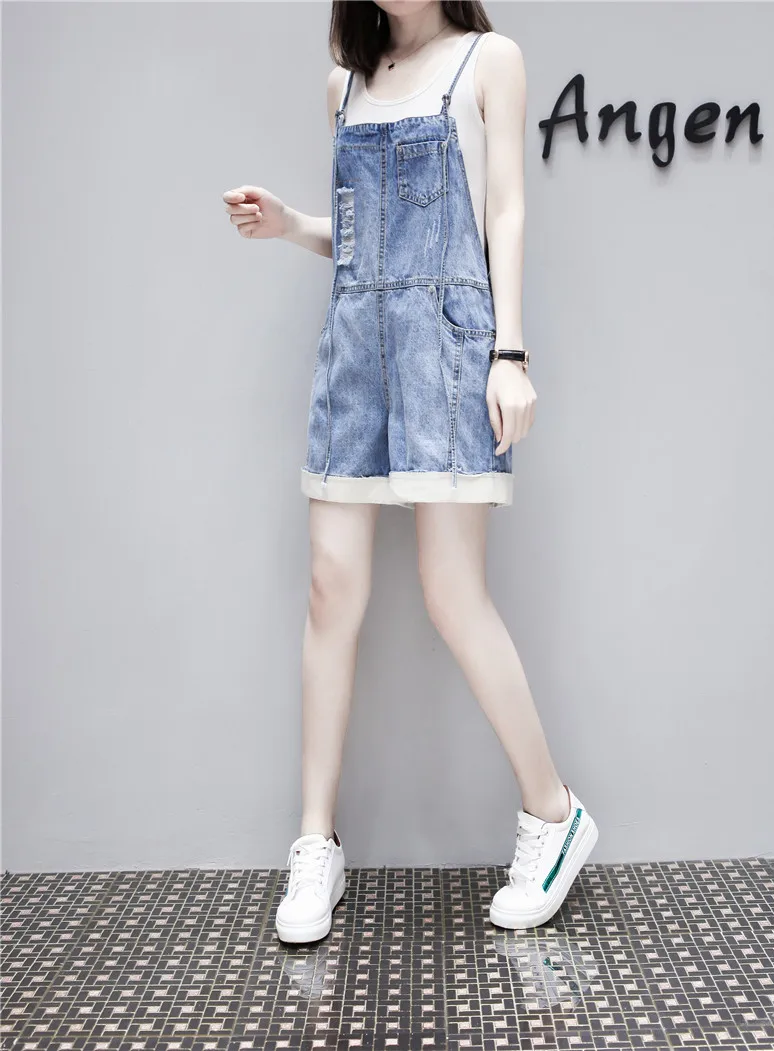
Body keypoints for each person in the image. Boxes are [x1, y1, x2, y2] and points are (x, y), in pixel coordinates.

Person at [222, 0, 599, 944]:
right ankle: (316, 841)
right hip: (355, 351)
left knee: (451, 592)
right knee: (329, 589)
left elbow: (503, 209)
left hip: (447, 348)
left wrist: (510, 355)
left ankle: (554, 811)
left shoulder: (489, 60)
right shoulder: (343, 82)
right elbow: (362, 238)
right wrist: (290, 224)